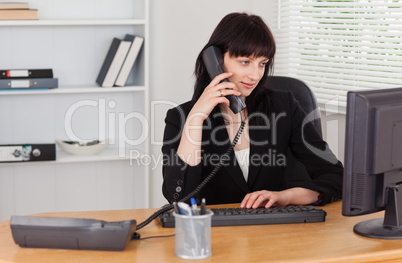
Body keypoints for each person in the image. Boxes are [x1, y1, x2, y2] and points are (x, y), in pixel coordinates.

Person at [161, 12, 343, 209]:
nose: (255, 75)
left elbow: (336, 176)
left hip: (276, 230)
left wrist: (286, 197)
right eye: (245, 62)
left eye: (262, 63)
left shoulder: (284, 106)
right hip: (216, 232)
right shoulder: (181, 118)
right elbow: (178, 197)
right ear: (215, 61)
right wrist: (196, 119)